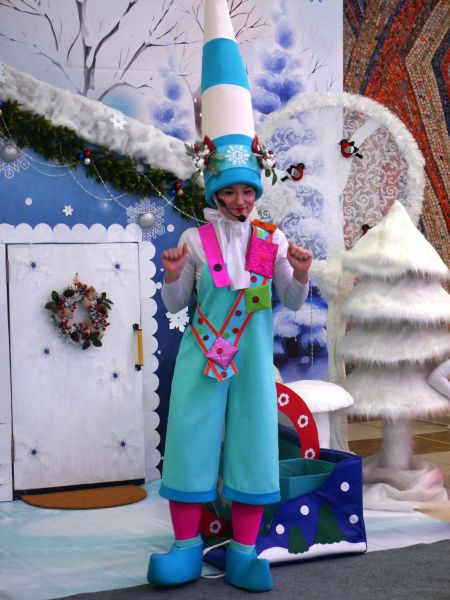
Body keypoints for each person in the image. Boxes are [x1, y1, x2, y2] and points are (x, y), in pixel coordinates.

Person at [147, 0, 312, 592]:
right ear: (215, 192)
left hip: (251, 358)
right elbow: (175, 308)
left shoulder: (273, 240)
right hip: (202, 354)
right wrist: (172, 276)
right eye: (231, 192)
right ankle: (185, 548)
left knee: (253, 443)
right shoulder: (195, 240)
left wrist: (300, 273)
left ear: (256, 190)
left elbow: (290, 302)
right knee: (190, 440)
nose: (241, 201)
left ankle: (244, 551)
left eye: (248, 191)